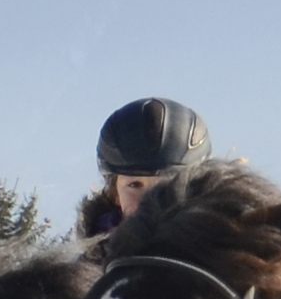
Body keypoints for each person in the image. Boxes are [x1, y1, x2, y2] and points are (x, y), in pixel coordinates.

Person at [81, 97, 207, 234]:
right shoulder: (91, 254)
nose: (149, 201)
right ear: (115, 194)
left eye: (166, 186)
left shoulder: (222, 250)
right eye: (135, 185)